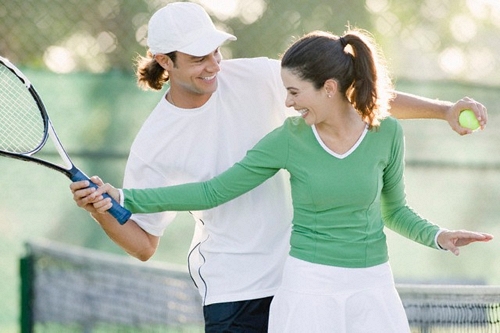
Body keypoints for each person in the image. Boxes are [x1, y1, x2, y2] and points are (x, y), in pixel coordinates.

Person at [70, 2, 489, 332]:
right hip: (235, 291)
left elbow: (348, 93)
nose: (214, 65)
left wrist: (445, 110)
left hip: (303, 276)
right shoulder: (154, 141)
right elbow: (145, 243)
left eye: (215, 50)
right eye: (199, 57)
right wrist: (104, 206)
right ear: (165, 61)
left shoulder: (256, 75)